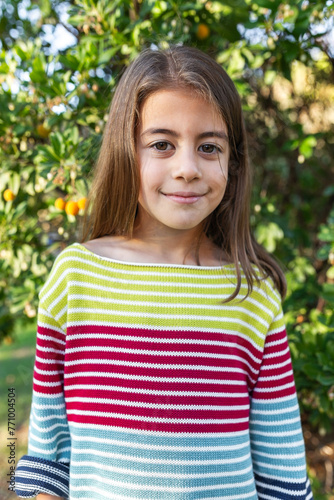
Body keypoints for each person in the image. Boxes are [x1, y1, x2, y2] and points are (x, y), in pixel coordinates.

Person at [15, 45, 313, 500]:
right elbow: (49, 460)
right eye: (161, 144)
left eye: (209, 146)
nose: (187, 168)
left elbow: (283, 475)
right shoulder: (76, 278)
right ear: (125, 152)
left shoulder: (252, 294)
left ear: (232, 163)